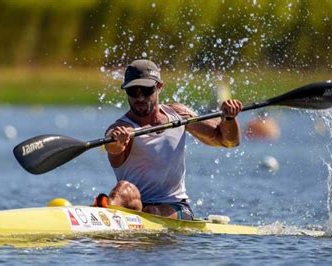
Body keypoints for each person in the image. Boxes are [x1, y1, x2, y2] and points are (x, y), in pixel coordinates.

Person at [99, 59, 243, 220]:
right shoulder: (120, 129)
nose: (139, 97)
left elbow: (227, 141)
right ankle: (102, 212)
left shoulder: (179, 114)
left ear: (159, 87)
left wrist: (229, 119)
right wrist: (116, 140)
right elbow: (114, 147)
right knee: (123, 189)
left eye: (146, 90)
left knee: (152, 213)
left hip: (176, 207)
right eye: (132, 91)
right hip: (136, 204)